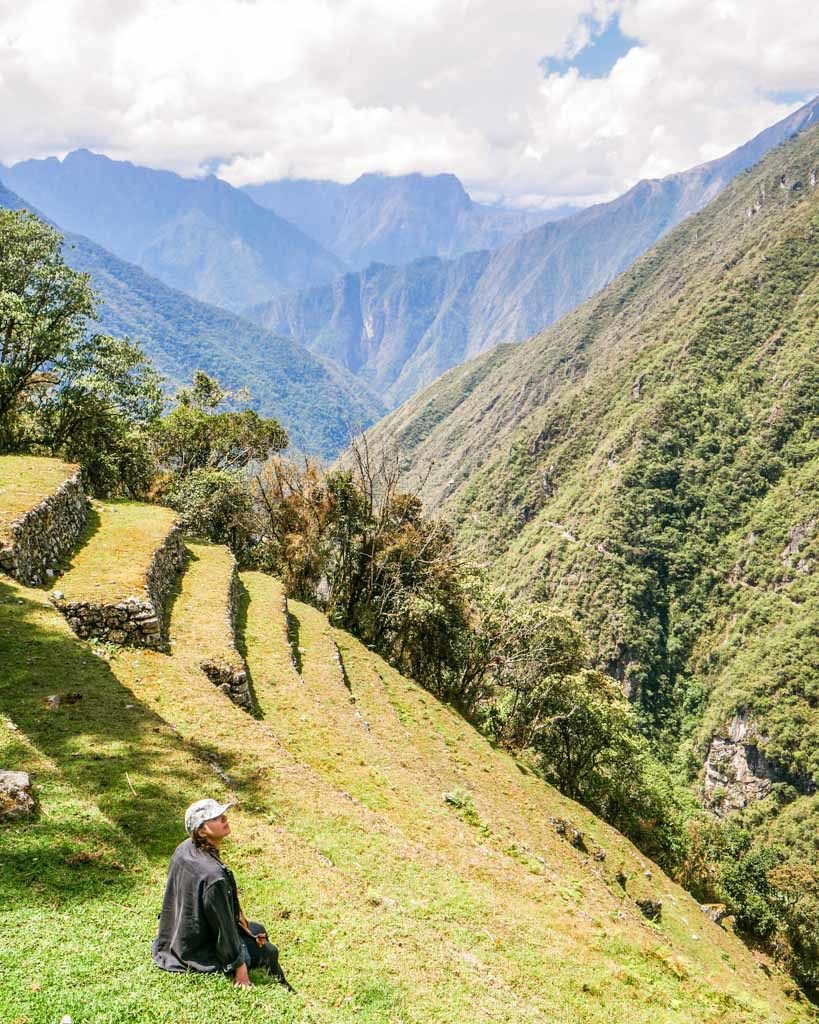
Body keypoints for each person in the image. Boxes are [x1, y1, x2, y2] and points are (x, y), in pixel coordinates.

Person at [152, 798, 292, 990]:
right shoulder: (213, 876)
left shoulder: (185, 848)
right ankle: (283, 988)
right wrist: (240, 968)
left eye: (222, 814)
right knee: (269, 951)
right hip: (197, 951)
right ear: (201, 831)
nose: (224, 818)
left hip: (178, 937)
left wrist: (246, 930)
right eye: (216, 818)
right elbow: (223, 927)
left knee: (258, 929)